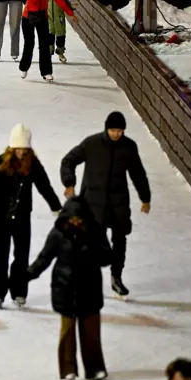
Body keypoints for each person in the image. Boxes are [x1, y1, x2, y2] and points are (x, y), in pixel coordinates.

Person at [0, 124, 62, 308]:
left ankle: (19, 290)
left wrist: (56, 207)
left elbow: (44, 186)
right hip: (1, 217)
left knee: (21, 255)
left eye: (24, 148)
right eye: (18, 148)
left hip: (22, 216)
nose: (21, 152)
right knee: (0, 255)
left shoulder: (32, 164)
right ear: (11, 148)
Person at [60, 111, 151, 298]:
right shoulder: (92, 144)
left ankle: (116, 278)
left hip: (118, 203)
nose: (117, 134)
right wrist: (69, 183)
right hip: (94, 202)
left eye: (120, 131)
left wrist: (145, 197)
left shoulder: (129, 147)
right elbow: (68, 161)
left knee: (120, 240)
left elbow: (138, 173)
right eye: (113, 130)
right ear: (106, 129)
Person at [25, 197, 111, 380]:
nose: (75, 222)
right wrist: (28, 275)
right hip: (65, 288)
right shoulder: (58, 233)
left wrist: (92, 249)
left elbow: (107, 257)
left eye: (79, 219)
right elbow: (44, 257)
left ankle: (95, 368)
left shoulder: (95, 231)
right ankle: (68, 369)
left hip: (90, 288)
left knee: (91, 332)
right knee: (68, 332)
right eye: (72, 219)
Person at [21, 0, 76, 81]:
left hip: (42, 17)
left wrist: (70, 13)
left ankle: (46, 72)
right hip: (28, 17)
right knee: (29, 44)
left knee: (44, 45)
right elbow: (30, 1)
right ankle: (24, 67)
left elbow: (59, 0)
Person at [45, 0, 74, 64]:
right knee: (49, 37)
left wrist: (72, 8)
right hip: (49, 20)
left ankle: (60, 53)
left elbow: (67, 5)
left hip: (59, 20)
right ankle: (48, 53)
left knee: (61, 37)